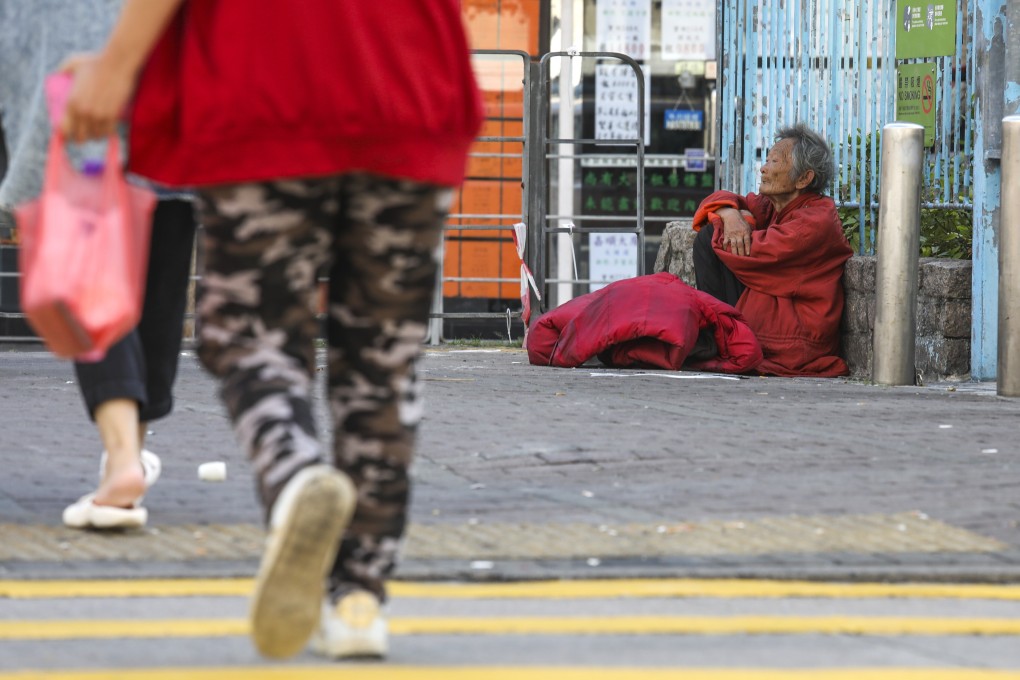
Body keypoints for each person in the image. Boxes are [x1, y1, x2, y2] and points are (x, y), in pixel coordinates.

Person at [59, 0, 482, 661]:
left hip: (267, 75)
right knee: (382, 362)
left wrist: (118, 66)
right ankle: (359, 602)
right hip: (410, 76)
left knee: (249, 331)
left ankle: (294, 476)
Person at [0, 0, 197, 529]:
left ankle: (123, 460)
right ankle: (125, 456)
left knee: (88, 282)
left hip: (74, 97)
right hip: (167, 90)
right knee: (162, 273)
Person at [691, 123, 853, 377]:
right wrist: (730, 213)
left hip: (794, 338)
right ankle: (719, 336)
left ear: (803, 178)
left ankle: (720, 339)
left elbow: (747, 250)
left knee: (712, 237)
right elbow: (714, 200)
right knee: (713, 233)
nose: (763, 168)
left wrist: (735, 217)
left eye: (774, 162)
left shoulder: (815, 222)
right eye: (766, 160)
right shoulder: (773, 205)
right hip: (772, 318)